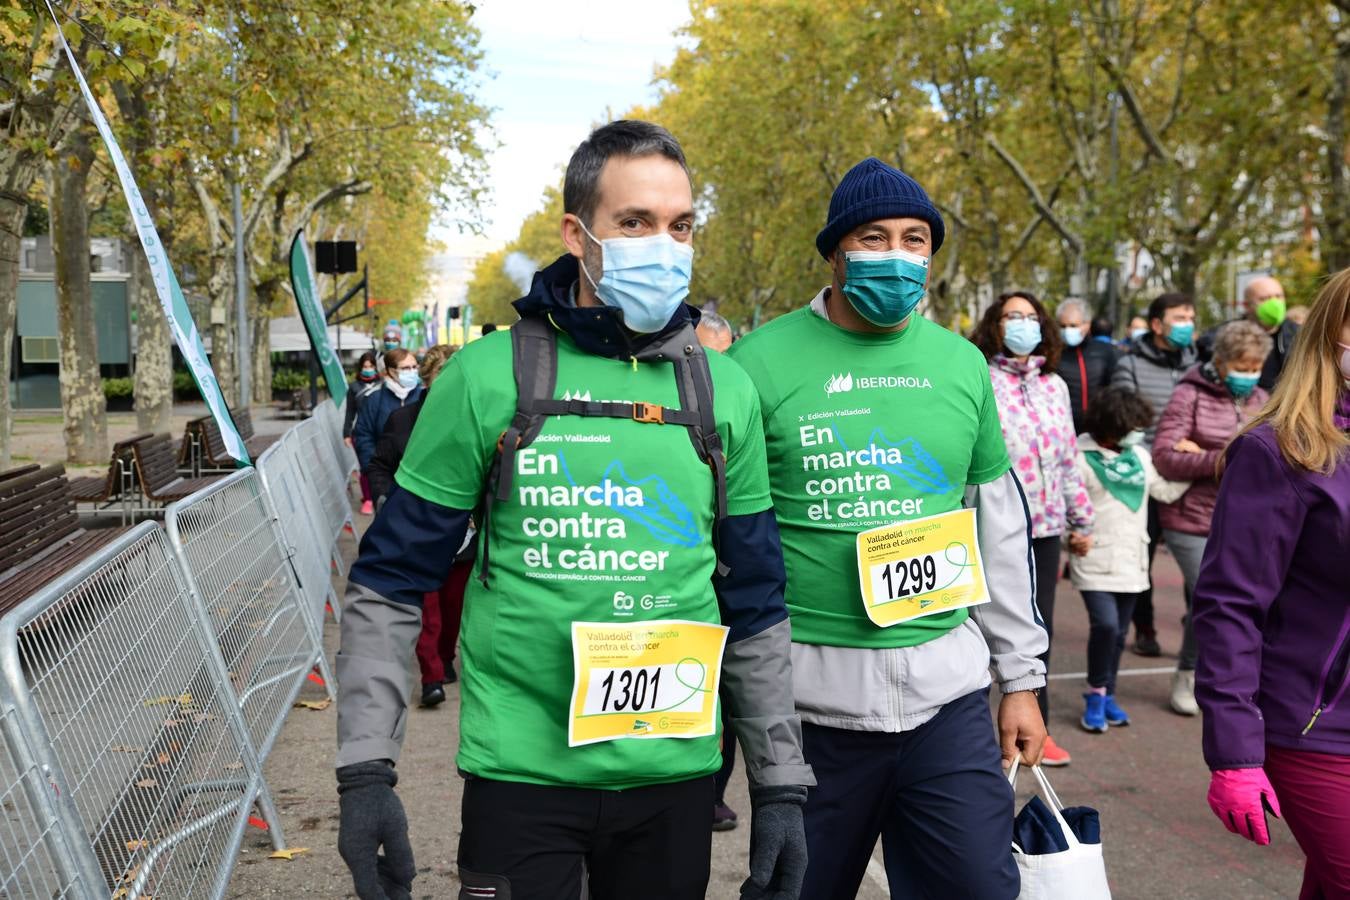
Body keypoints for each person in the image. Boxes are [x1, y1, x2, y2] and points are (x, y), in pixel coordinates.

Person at [334, 120, 812, 900]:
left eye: (680, 225)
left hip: (676, 778)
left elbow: (756, 599)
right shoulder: (488, 380)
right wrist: (365, 773)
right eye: (635, 223)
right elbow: (390, 580)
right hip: (522, 778)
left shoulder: (723, 390)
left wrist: (781, 784)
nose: (664, 244)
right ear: (577, 233)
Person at [728, 157, 1048, 899]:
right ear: (836, 253)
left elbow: (997, 531)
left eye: (915, 240)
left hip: (950, 704)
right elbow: (728, 542)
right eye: (875, 237)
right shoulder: (755, 366)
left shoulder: (962, 365)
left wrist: (1023, 680)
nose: (898, 256)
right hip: (812, 716)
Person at [1193, 269, 1350, 897]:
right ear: (1327, 336)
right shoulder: (1280, 448)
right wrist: (1234, 752)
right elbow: (1230, 605)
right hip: (1314, 727)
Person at [973, 290, 1094, 767]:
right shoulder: (981, 377)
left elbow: (1067, 458)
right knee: (979, 629)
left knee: (1033, 629)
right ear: (995, 326)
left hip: (1043, 529)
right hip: (989, 527)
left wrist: (1080, 518)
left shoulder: (1054, 385)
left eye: (1030, 316)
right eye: (1011, 317)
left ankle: (1033, 727)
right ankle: (976, 734)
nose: (1022, 324)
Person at [1152, 320, 1271, 716]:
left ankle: (1220, 675)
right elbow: (1166, 456)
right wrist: (1224, 457)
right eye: (1241, 364)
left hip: (1242, 518)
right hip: (1190, 518)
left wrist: (1206, 451)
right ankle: (1188, 674)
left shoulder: (1263, 399)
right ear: (1220, 362)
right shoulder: (1190, 395)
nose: (1248, 375)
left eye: (1255, 366)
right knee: (1210, 595)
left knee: (1225, 602)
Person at [1069, 387, 1188, 733]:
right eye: (1133, 425)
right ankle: (1094, 693)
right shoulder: (1079, 457)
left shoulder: (1139, 455)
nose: (1139, 431)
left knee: (1120, 633)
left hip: (1133, 560)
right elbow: (1067, 507)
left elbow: (1163, 490)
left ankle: (1108, 694)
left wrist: (1197, 467)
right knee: (1105, 626)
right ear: (1112, 426)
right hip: (1094, 559)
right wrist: (1070, 538)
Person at [366, 345, 471, 706]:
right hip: (417, 529)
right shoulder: (402, 420)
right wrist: (384, 499)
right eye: (442, 375)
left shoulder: (473, 418)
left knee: (452, 606)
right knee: (428, 609)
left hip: (464, 530)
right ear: (427, 379)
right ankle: (431, 677)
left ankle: (444, 656)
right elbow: (379, 465)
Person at [1111, 292, 1199, 657]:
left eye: (1190, 317)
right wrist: (1156, 458)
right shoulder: (1129, 365)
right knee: (1141, 559)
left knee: (1197, 561)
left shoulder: (1199, 364)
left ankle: (1193, 627)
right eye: (1179, 318)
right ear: (1157, 324)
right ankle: (1144, 627)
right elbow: (1125, 419)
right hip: (1147, 478)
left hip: (1187, 476)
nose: (1187, 325)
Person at [1198, 275, 1299, 391]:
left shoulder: (1299, 335)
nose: (1274, 303)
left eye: (1278, 296)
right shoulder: (1226, 334)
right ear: (1247, 305)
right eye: (1264, 299)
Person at [351, 348, 424, 482]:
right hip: (386, 478)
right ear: (391, 371)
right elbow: (363, 436)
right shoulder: (374, 400)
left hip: (420, 478)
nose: (412, 371)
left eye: (414, 367)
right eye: (406, 368)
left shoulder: (424, 397)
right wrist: (375, 472)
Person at [1055, 297, 1119, 434]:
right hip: (1063, 428)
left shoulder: (1104, 350)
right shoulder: (1053, 353)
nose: (1067, 330)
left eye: (1073, 326)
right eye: (1062, 326)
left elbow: (1113, 387)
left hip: (1099, 428)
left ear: (1087, 324)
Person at [343, 351, 384, 515]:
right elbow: (349, 413)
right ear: (360, 368)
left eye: (371, 366)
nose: (368, 369)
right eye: (365, 366)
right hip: (361, 433)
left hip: (381, 432)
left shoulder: (383, 384)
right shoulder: (354, 388)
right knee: (365, 467)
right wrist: (346, 433)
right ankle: (368, 498)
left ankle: (380, 495)